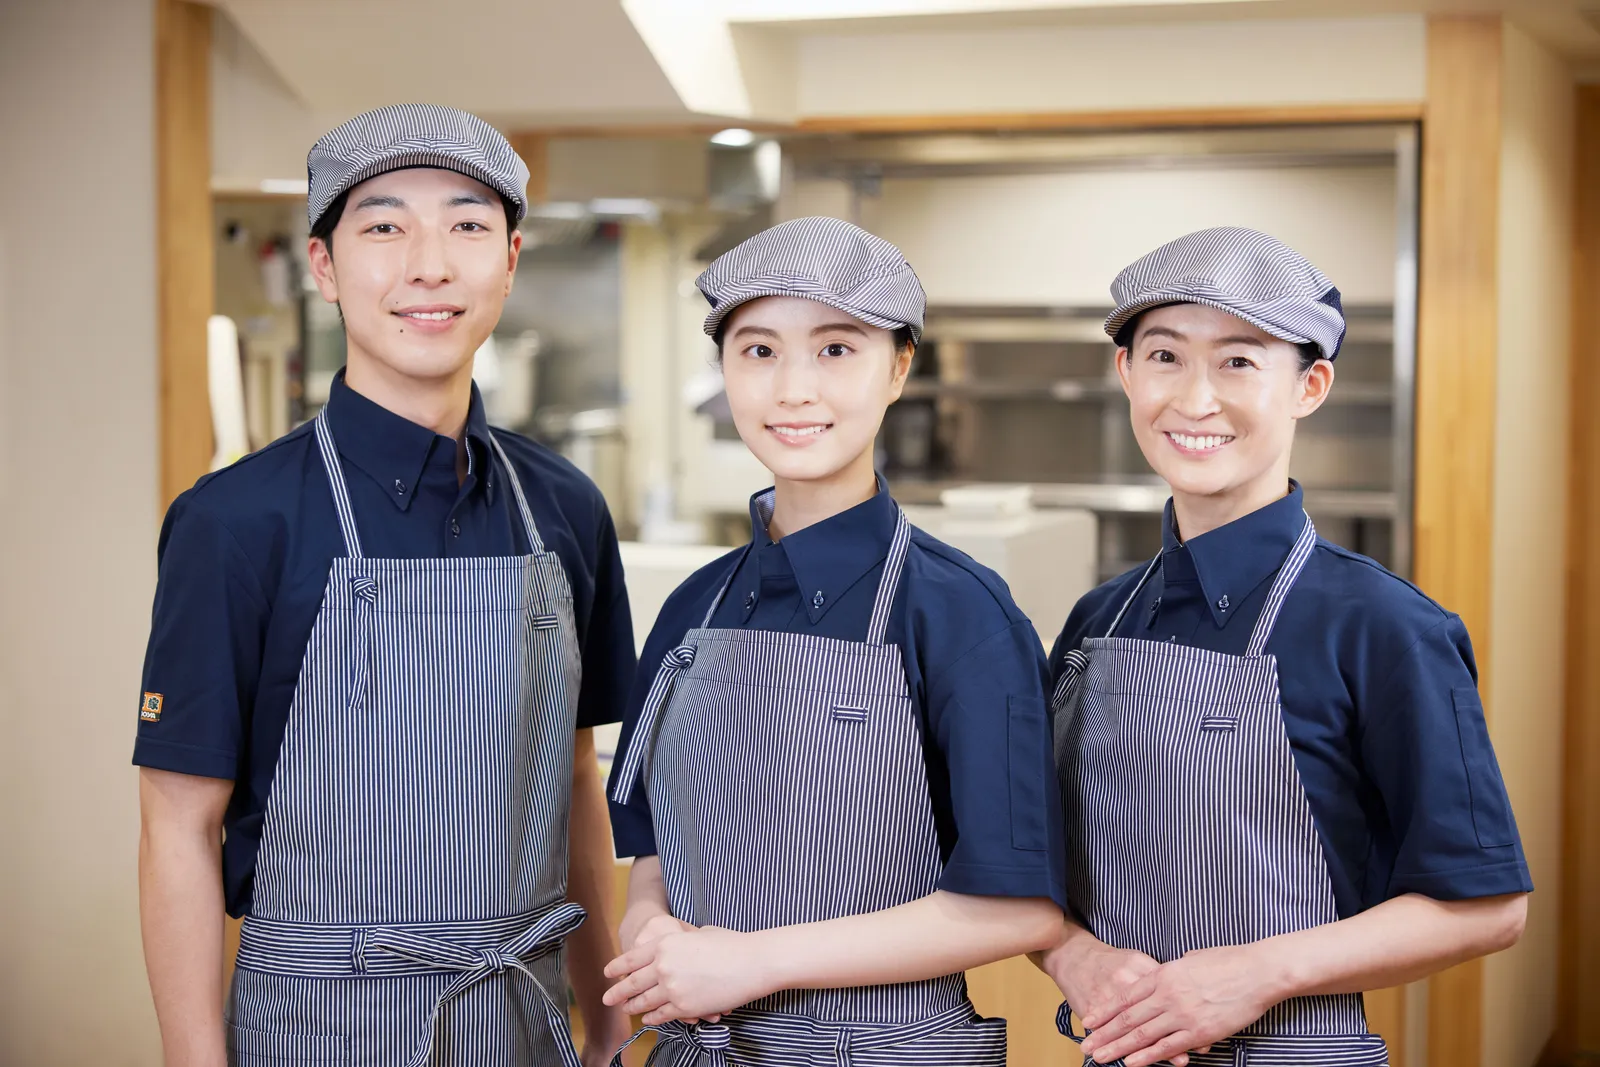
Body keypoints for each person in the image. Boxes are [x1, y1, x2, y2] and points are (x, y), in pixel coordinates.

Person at [134, 104, 635, 1067]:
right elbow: (176, 827)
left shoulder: (566, 506)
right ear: (324, 265)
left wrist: (605, 1000)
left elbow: (575, 776)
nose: (429, 265)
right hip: (318, 1028)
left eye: (467, 225)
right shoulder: (234, 524)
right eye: (383, 226)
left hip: (520, 1025)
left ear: (512, 258)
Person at [1039, 227, 1532, 1067]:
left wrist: (1254, 974)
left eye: (1239, 362)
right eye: (1164, 356)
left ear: (1310, 385)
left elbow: (1488, 906)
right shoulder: (1099, 621)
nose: (1195, 400)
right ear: (1126, 373)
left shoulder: (1383, 626)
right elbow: (1031, 861)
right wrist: (1072, 955)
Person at [601, 217, 1067, 1065]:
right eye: (758, 351)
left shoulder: (961, 613)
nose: (793, 390)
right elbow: (656, 848)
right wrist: (648, 923)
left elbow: (1018, 905)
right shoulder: (692, 610)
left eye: (837, 350)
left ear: (899, 367)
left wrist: (752, 962)